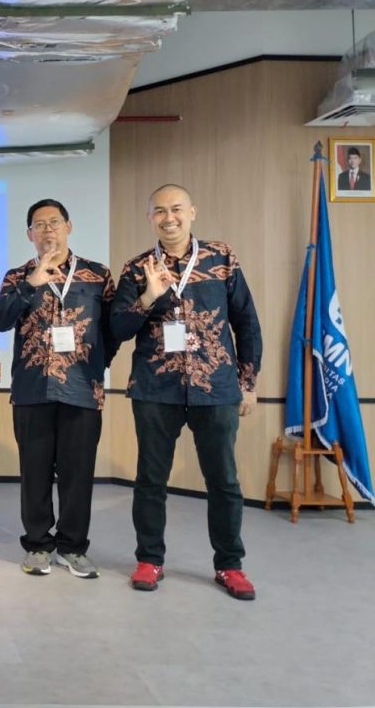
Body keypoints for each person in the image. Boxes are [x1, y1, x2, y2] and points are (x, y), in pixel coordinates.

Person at [111, 184, 262, 601]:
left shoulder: (221, 257)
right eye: (159, 211)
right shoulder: (137, 268)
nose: (169, 218)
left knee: (224, 481)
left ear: (192, 212)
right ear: (150, 218)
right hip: (155, 388)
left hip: (216, 388)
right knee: (150, 480)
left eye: (176, 209)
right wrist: (148, 297)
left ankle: (230, 564)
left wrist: (248, 382)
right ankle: (149, 559)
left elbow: (246, 323)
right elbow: (118, 328)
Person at [0, 199, 117, 579]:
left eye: (54, 222)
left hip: (82, 389)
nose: (48, 230)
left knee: (78, 474)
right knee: (35, 473)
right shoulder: (18, 276)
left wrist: (97, 364)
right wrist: (32, 284)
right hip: (32, 389)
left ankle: (73, 547)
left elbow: (114, 329)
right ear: (29, 234)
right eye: (39, 225)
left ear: (68, 226)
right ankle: (38, 545)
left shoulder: (97, 274)